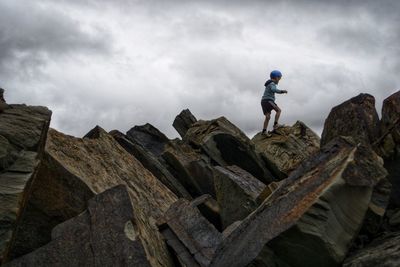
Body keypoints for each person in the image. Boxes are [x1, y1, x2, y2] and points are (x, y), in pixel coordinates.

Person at [260, 70, 287, 136]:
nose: (279, 80)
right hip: (268, 100)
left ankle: (264, 131)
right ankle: (276, 125)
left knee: (268, 117)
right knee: (278, 110)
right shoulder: (272, 83)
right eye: (279, 78)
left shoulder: (268, 83)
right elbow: (274, 90)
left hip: (263, 101)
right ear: (276, 77)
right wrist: (282, 91)